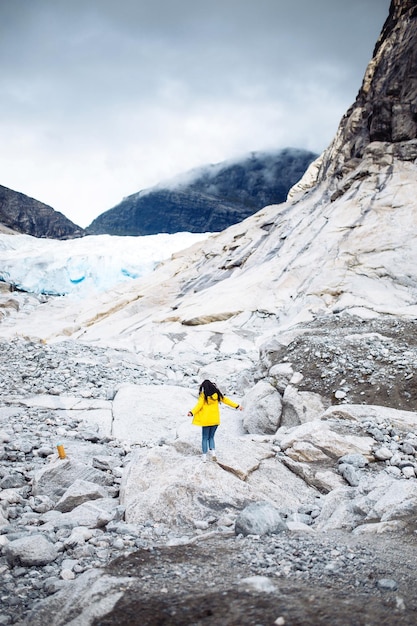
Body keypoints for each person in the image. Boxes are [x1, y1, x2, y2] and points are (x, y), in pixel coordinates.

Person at [187, 379, 243, 462]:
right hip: (215, 420)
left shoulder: (203, 395)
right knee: (211, 437)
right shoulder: (217, 394)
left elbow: (198, 405)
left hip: (206, 421)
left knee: (205, 438)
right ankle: (213, 454)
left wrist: (191, 412)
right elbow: (226, 401)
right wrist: (237, 406)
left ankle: (204, 458)